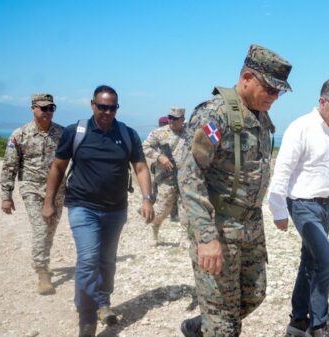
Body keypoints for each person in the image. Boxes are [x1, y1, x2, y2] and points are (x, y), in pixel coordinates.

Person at [177, 44, 292, 337]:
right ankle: (214, 324)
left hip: (250, 226)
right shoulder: (214, 115)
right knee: (225, 324)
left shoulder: (260, 117)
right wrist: (206, 237)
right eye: (270, 89)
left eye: (280, 92)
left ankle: (206, 324)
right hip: (218, 227)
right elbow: (190, 177)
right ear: (246, 78)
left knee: (255, 294)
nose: (275, 97)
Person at [41, 85, 155, 337]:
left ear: (117, 108)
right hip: (83, 206)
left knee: (107, 261)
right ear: (92, 104)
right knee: (88, 259)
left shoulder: (127, 134)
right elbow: (58, 168)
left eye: (111, 107)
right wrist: (49, 201)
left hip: (115, 209)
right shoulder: (76, 132)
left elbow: (141, 167)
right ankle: (87, 317)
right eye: (102, 106)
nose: (106, 111)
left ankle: (103, 302)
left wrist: (148, 199)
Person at [268, 78, 329, 337]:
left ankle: (298, 321)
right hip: (302, 205)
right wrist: (278, 211)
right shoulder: (301, 127)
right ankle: (318, 324)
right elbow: (282, 171)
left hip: (325, 205)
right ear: (322, 102)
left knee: (310, 262)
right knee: (327, 262)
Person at [0, 93, 65, 295]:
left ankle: (43, 259)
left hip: (58, 190)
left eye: (51, 108)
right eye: (43, 108)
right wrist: (6, 196)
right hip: (31, 187)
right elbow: (9, 166)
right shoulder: (19, 135)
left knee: (50, 229)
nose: (47, 112)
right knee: (41, 228)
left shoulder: (63, 133)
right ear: (33, 108)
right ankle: (42, 271)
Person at [142, 107, 187, 245]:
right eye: (170, 117)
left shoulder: (189, 132)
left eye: (175, 118)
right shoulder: (159, 132)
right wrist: (159, 156)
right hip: (167, 178)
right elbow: (145, 147)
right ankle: (154, 229)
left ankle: (185, 238)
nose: (171, 120)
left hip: (185, 177)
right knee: (163, 210)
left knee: (185, 210)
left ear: (182, 120)